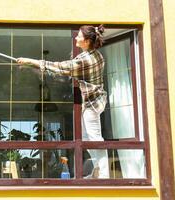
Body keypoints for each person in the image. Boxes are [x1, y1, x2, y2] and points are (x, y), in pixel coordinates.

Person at [17, 25, 109, 178]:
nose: (75, 38)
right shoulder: (95, 54)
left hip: (92, 104)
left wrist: (29, 61)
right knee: (87, 138)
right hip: (94, 101)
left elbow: (58, 67)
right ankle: (97, 171)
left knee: (94, 138)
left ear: (86, 41)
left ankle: (104, 174)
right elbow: (67, 72)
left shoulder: (85, 60)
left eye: (78, 36)